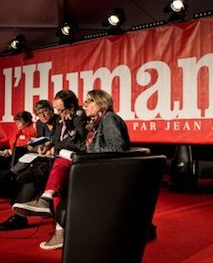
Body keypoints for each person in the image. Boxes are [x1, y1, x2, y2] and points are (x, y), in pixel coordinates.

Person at [13, 89, 129, 250]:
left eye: (89, 101)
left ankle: (46, 200)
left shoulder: (109, 119)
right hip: (96, 166)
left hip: (106, 172)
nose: (85, 104)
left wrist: (85, 154)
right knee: (61, 170)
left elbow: (117, 149)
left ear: (101, 102)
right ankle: (55, 219)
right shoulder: (98, 121)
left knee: (61, 164)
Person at [0, 91, 87, 231]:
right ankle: (20, 210)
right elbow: (54, 141)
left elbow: (79, 142)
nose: (57, 113)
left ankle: (21, 204)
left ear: (71, 107)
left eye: (57, 110)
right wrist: (43, 147)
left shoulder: (75, 118)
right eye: (57, 110)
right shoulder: (57, 120)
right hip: (52, 158)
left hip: (65, 161)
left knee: (35, 174)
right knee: (32, 175)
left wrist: (54, 147)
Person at [0, 110, 37, 204]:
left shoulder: (31, 131)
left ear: (27, 122)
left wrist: (10, 151)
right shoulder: (19, 131)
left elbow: (25, 146)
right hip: (11, 157)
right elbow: (9, 140)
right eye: (17, 122)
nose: (17, 124)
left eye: (19, 122)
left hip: (18, 159)